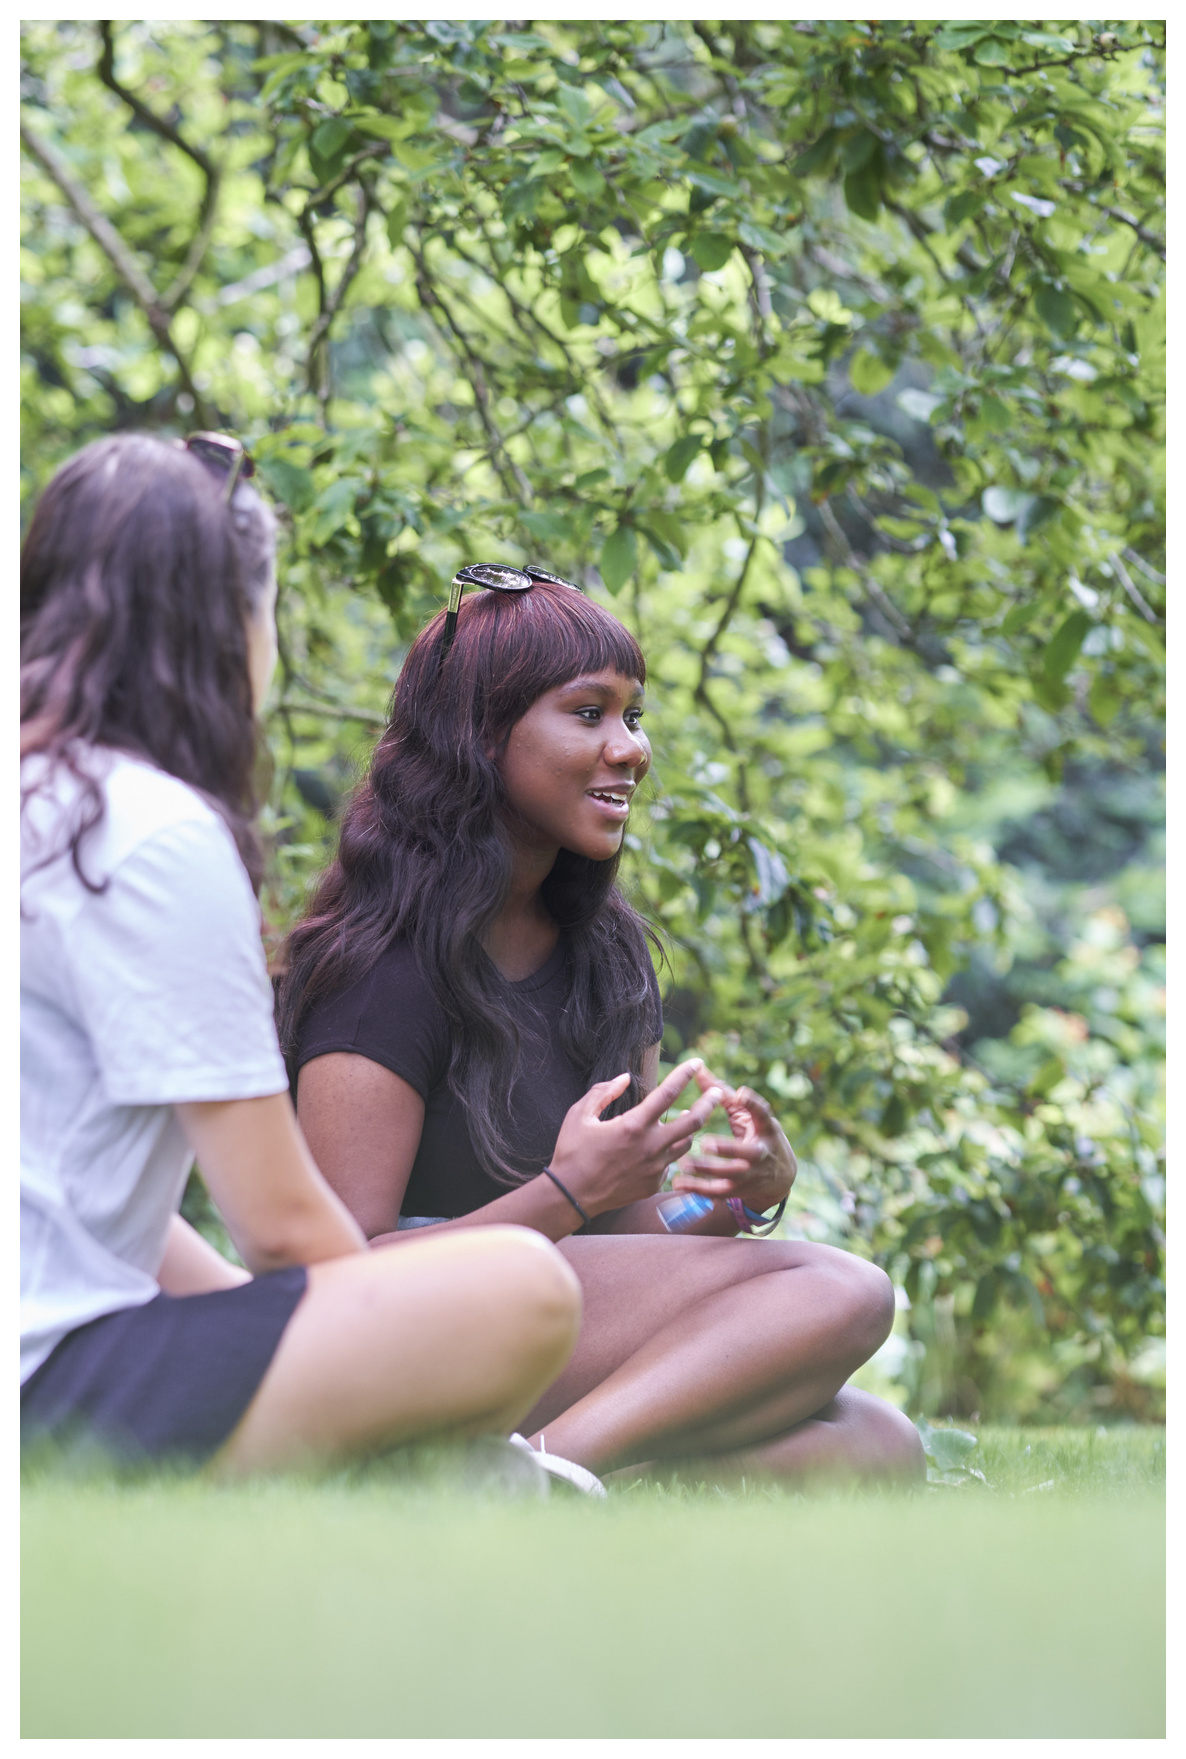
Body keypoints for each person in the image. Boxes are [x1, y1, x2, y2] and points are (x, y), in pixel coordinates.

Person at [282, 565, 925, 1486]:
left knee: (873, 1443)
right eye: (589, 714)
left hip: (542, 1326)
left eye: (633, 715)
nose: (630, 748)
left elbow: (627, 1229)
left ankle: (513, 1480)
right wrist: (564, 1192)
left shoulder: (607, 956)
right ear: (479, 737)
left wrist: (736, 1202)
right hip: (397, 1344)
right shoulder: (382, 968)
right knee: (844, 1289)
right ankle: (543, 1475)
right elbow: (339, 1277)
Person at [20, 438, 588, 1477]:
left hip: (65, 1338)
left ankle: (421, 1473)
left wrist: (274, 1339)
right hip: (49, 1385)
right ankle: (421, 1475)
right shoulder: (147, 833)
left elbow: (103, 1223)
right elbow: (285, 1230)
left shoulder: (42, 804)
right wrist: (385, 1364)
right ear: (228, 621)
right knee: (521, 1288)